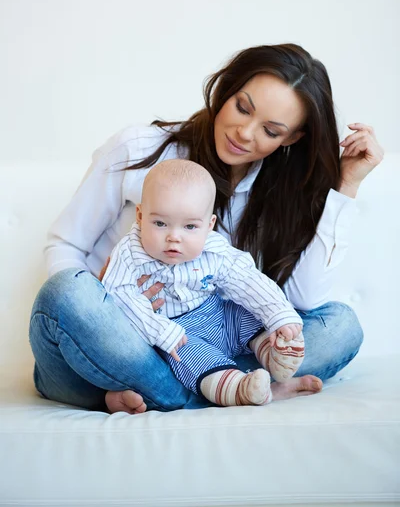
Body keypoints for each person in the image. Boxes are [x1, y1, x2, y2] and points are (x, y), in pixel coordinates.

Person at [29, 43, 383, 415]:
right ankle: (214, 391)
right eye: (242, 107)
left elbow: (303, 300)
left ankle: (198, 386)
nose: (244, 133)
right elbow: (64, 246)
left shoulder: (279, 194)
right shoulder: (139, 148)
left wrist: (346, 187)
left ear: (291, 139)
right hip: (117, 341)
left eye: (270, 130)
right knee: (68, 292)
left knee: (340, 326)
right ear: (226, 91)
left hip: (205, 341)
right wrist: (108, 303)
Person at [102, 159, 306, 407]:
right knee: (188, 358)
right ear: (141, 215)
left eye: (190, 226)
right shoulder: (129, 253)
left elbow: (245, 279)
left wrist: (279, 314)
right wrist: (160, 331)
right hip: (178, 333)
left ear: (208, 226)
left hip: (219, 315)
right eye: (159, 223)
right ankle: (239, 388)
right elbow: (119, 295)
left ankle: (275, 353)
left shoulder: (213, 248)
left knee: (248, 315)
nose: (174, 237)